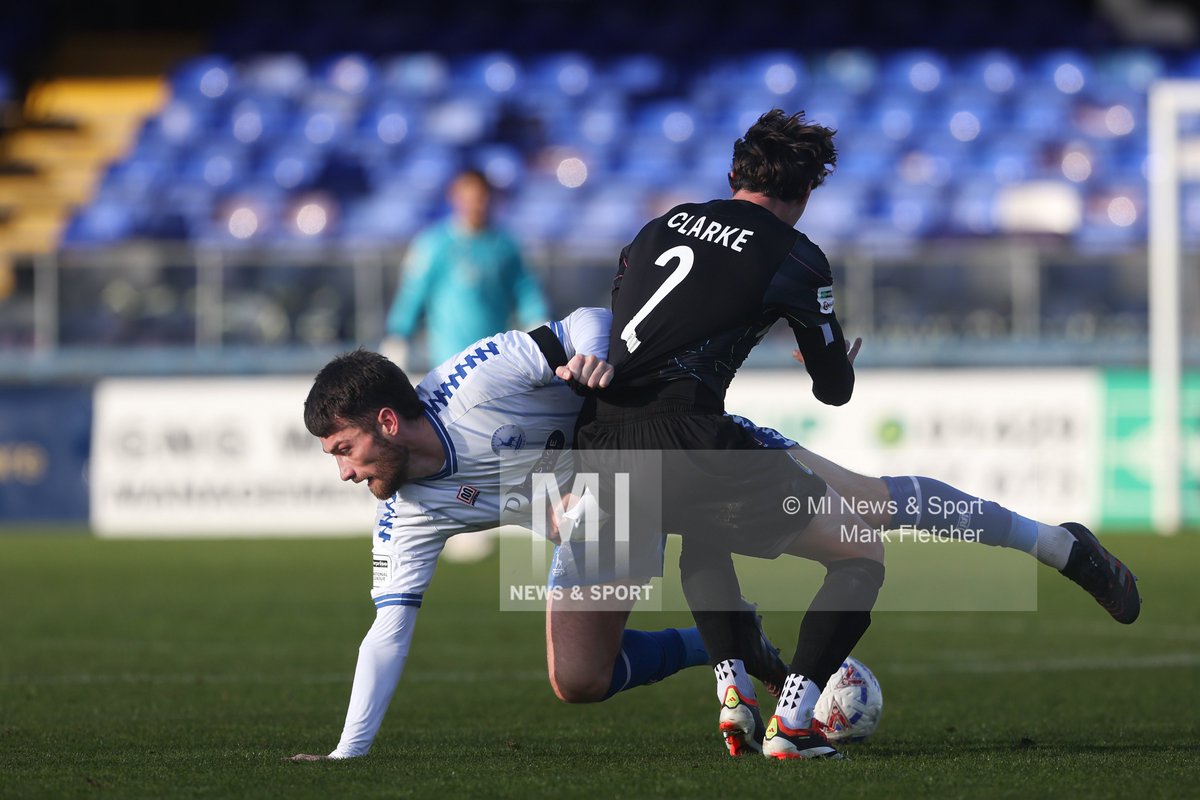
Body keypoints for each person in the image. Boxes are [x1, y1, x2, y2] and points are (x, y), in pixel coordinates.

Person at [572, 109, 1140, 761]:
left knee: (709, 529)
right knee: (862, 539)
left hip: (602, 445)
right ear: (809, 192)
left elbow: (623, 325)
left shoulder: (656, 227)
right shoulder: (793, 256)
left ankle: (735, 693)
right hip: (693, 435)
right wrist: (834, 356)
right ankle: (794, 720)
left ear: (733, 173)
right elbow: (833, 388)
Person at [287, 308, 789, 761]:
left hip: (642, 450)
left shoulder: (477, 381)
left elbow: (591, 318)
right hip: (592, 515)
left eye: (344, 449)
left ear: (388, 422)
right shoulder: (407, 513)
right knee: (580, 679)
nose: (344, 473)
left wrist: (591, 356)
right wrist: (347, 753)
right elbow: (388, 632)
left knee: (843, 514)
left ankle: (786, 646)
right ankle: (731, 638)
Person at [384, 168, 548, 369]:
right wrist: (399, 333)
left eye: (481, 198)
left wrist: (537, 321)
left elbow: (525, 290)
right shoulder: (434, 244)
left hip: (494, 357)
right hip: (447, 360)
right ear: (454, 198)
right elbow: (413, 292)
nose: (476, 205)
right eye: (468, 198)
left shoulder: (505, 246)